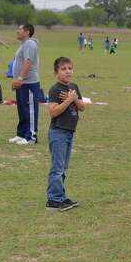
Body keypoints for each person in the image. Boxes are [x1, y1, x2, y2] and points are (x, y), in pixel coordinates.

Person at [46, 56, 85, 211]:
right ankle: (54, 200)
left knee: (63, 167)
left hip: (69, 132)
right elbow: (53, 112)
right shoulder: (55, 90)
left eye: (70, 68)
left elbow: (82, 107)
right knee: (57, 167)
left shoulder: (74, 87)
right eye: (63, 69)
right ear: (56, 73)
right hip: (58, 132)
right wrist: (69, 100)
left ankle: (60, 196)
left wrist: (74, 99)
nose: (68, 71)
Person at [8, 24, 41, 145]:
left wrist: (20, 78)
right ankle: (21, 134)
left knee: (30, 110)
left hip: (29, 83)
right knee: (22, 109)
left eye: (20, 29)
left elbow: (28, 62)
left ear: (27, 32)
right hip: (22, 83)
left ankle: (31, 137)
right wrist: (16, 80)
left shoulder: (29, 44)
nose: (17, 31)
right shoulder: (23, 44)